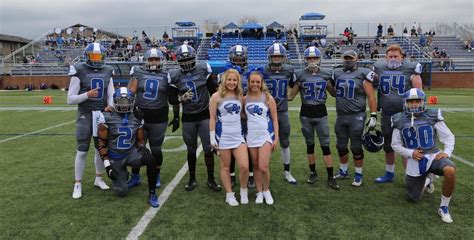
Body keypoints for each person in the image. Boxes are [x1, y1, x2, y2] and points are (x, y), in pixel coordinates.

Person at [391, 88, 456, 223]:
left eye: (417, 101)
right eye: (411, 101)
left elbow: (448, 136)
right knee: (413, 198)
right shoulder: (399, 119)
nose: (414, 104)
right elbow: (395, 144)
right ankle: (428, 180)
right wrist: (410, 153)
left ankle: (443, 207)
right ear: (405, 103)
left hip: (433, 156)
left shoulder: (432, 115)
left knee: (450, 170)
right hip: (415, 160)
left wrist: (446, 152)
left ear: (423, 102)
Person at [168, 44, 221, 192]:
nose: (186, 63)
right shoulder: (175, 75)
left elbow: (213, 92)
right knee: (191, 149)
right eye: (183, 60)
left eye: (189, 59)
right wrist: (180, 98)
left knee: (208, 149)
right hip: (188, 117)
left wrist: (216, 113)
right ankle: (192, 178)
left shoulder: (203, 69)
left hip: (204, 114)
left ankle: (211, 179)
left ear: (195, 58)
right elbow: (171, 98)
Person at [126, 48, 179, 192]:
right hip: (140, 117)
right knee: (137, 147)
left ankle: (156, 175)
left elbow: (173, 98)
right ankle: (135, 176)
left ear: (161, 60)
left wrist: (176, 116)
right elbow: (130, 93)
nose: (154, 62)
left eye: (156, 59)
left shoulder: (167, 75)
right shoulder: (137, 72)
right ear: (146, 60)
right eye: (151, 59)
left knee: (156, 149)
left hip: (159, 118)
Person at [96, 87, 159, 207]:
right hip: (115, 157)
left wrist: (142, 147)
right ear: (115, 102)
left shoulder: (136, 116)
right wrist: (108, 166)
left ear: (132, 101)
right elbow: (101, 145)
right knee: (121, 192)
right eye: (121, 102)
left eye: (127, 102)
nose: (124, 105)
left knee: (150, 159)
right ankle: (123, 175)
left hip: (130, 154)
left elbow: (140, 141)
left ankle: (152, 193)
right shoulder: (107, 117)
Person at [288, 46, 340, 190]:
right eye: (309, 58)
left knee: (325, 145)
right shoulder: (300, 75)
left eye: (314, 58)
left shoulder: (326, 74)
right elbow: (290, 96)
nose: (312, 61)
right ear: (305, 60)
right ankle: (313, 172)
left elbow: (334, 93)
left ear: (319, 59)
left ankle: (330, 176)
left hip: (321, 112)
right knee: (310, 145)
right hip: (306, 113)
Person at [67, 42, 113, 199]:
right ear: (87, 56)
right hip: (85, 114)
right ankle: (77, 183)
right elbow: (70, 99)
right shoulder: (79, 69)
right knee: (82, 150)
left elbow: (110, 93)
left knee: (100, 149)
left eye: (99, 56)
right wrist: (87, 95)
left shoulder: (108, 70)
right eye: (93, 56)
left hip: (101, 114)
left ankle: (98, 178)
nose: (96, 59)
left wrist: (111, 106)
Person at [373, 45, 422, 183]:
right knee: (388, 145)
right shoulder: (379, 68)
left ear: (402, 57)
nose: (393, 59)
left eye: (396, 56)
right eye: (391, 56)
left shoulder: (410, 69)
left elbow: (419, 92)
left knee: (407, 146)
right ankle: (389, 173)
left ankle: (410, 176)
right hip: (387, 114)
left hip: (405, 115)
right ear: (386, 57)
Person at [330, 50, 377, 187]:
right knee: (340, 146)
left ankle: (358, 175)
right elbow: (334, 93)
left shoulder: (363, 73)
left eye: (351, 58)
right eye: (346, 58)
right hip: (341, 115)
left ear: (356, 59)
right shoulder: (337, 73)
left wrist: (373, 115)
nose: (348, 60)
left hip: (357, 115)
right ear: (342, 59)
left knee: (356, 146)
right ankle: (343, 171)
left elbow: (370, 96)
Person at [209, 69, 249, 206]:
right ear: (224, 80)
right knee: (225, 167)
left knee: (244, 166)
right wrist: (212, 137)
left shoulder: (239, 95)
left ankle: (244, 191)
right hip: (224, 136)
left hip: (238, 136)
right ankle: (229, 194)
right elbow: (212, 118)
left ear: (238, 81)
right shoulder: (216, 96)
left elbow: (242, 115)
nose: (232, 82)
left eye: (234, 80)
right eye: (229, 79)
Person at [219, 45, 255, 189]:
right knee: (231, 146)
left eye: (241, 58)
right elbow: (220, 95)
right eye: (236, 58)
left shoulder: (250, 74)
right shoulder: (224, 75)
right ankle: (232, 174)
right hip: (230, 117)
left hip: (248, 117)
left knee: (249, 145)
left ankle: (251, 175)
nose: (239, 60)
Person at [263, 43, 297, 184]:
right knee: (263, 143)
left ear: (283, 57)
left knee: (284, 142)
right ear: (270, 57)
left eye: (279, 56)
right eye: (274, 56)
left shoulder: (289, 70)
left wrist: (291, 95)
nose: (276, 59)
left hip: (282, 112)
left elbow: (297, 83)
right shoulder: (263, 70)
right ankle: (262, 172)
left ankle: (287, 172)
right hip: (265, 114)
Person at [244, 70, 279, 204]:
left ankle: (266, 190)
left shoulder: (268, 98)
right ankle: (259, 192)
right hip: (251, 136)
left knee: (263, 166)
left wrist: (276, 138)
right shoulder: (244, 99)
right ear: (249, 82)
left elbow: (275, 119)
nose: (255, 84)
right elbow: (242, 115)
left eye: (257, 82)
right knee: (256, 166)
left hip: (265, 136)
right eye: (252, 82)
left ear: (262, 83)